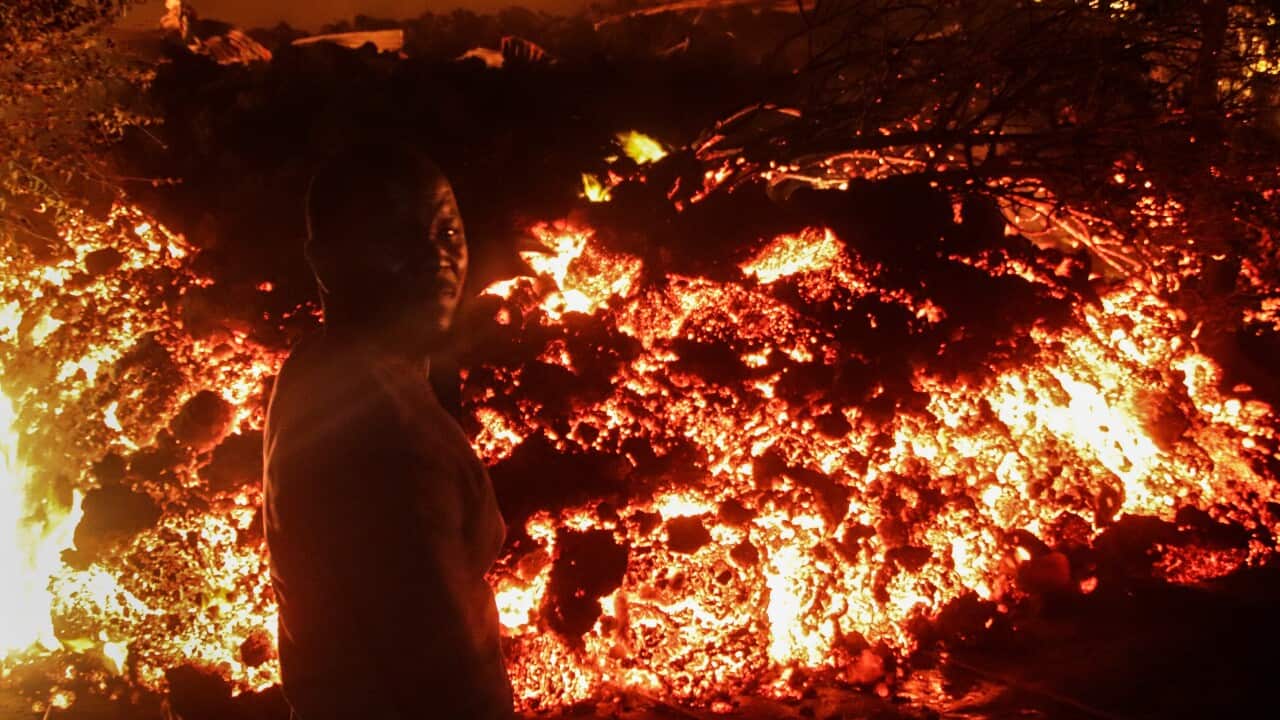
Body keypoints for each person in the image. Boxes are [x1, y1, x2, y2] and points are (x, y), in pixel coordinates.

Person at [263, 143, 513, 719]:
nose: (436, 259)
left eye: (447, 233)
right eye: (398, 240)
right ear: (327, 261)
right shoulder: (384, 429)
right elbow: (443, 671)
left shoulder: (322, 368)